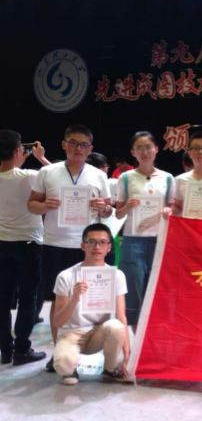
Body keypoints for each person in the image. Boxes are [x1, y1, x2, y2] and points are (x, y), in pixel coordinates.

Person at [27, 124, 112, 371]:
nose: (78, 148)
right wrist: (44, 206)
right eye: (73, 143)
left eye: (83, 144)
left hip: (89, 247)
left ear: (90, 148)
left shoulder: (98, 175)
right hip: (55, 244)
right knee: (59, 301)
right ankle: (59, 354)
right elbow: (31, 204)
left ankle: (90, 352)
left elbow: (109, 210)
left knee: (91, 301)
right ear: (64, 144)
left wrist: (103, 207)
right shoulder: (47, 172)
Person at [52, 223, 130, 385]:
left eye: (102, 242)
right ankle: (70, 366)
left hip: (99, 332)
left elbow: (121, 316)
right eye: (91, 242)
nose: (97, 247)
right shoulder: (66, 276)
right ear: (83, 246)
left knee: (116, 326)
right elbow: (58, 321)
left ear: (109, 247)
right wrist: (75, 297)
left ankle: (109, 369)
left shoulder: (117, 275)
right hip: (72, 333)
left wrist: (127, 354)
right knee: (64, 366)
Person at [115, 131, 174, 331]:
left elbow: (172, 208)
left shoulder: (167, 178)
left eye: (148, 147)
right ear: (133, 152)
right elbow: (118, 214)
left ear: (156, 149)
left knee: (158, 288)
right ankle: (136, 337)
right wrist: (127, 207)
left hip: (159, 240)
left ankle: (155, 335)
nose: (144, 152)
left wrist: (168, 211)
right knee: (134, 289)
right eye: (139, 148)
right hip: (133, 241)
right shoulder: (125, 178)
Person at [0, 130, 49, 365]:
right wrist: (41, 157)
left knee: (2, 299)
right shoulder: (31, 176)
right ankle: (22, 350)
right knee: (28, 299)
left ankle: (5, 350)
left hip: (2, 245)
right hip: (29, 245)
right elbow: (58, 178)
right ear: (19, 150)